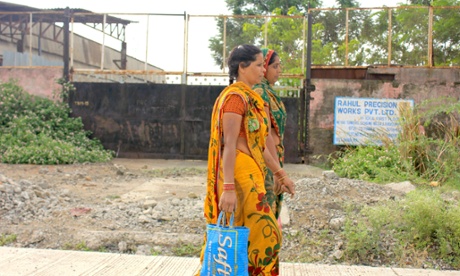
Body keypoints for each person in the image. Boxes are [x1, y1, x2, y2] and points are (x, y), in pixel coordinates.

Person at [195, 44, 295, 276]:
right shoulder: (235, 99)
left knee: (249, 236)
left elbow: (261, 147)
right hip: (238, 177)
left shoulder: (253, 99)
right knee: (264, 236)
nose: (263, 71)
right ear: (242, 66)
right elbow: (228, 146)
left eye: (263, 65)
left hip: (253, 175)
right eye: (259, 65)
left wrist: (282, 175)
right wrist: (228, 188)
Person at [252, 48, 287, 222]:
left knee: (272, 210)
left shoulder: (269, 92)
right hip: (267, 160)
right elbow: (266, 135)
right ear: (264, 68)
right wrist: (277, 172)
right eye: (275, 66)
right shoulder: (260, 92)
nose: (278, 70)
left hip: (275, 156)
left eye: (279, 66)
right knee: (266, 211)